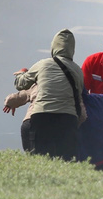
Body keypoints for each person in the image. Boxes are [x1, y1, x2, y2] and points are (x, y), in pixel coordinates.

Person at [14, 29, 85, 161]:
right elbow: (78, 94)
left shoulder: (43, 64)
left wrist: (20, 74)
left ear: (53, 47)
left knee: (41, 161)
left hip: (42, 117)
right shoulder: (78, 70)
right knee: (66, 163)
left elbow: (21, 84)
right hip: (67, 120)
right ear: (72, 50)